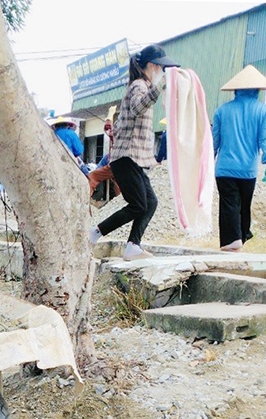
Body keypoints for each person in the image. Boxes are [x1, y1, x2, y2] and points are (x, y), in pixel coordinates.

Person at [90, 44, 179, 260]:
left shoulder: (140, 85)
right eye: (161, 68)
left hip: (133, 158)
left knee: (151, 202)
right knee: (139, 204)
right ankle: (93, 234)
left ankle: (133, 246)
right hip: (126, 157)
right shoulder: (139, 86)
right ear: (151, 66)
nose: (162, 73)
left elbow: (125, 120)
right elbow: (139, 108)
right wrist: (160, 87)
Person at [212, 65, 266, 252]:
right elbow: (265, 140)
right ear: (257, 89)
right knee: (244, 205)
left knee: (230, 204)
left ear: (236, 89)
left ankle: (233, 239)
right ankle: (241, 236)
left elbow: (214, 141)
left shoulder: (222, 110)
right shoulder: (263, 110)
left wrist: (207, 163)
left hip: (224, 168)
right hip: (248, 170)